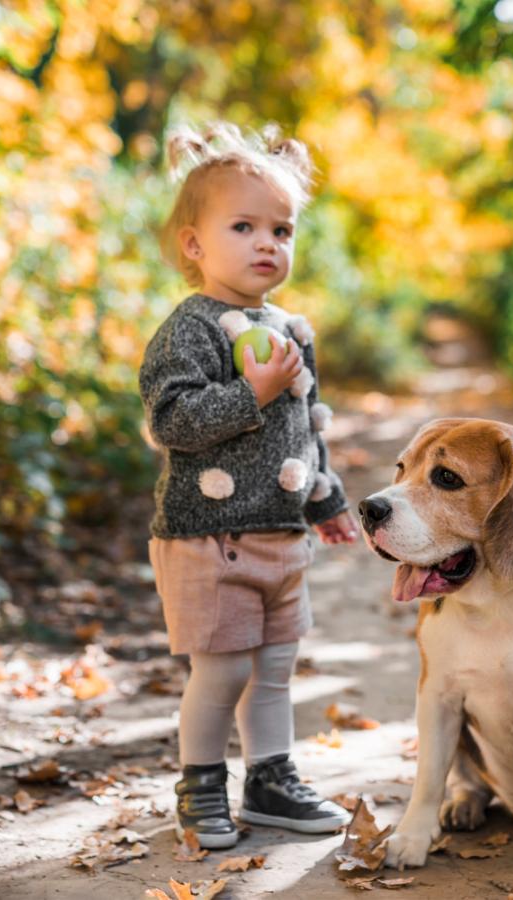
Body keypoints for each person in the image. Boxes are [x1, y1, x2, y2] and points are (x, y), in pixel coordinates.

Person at [139, 122, 358, 849]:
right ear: (195, 245)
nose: (268, 243)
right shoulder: (190, 330)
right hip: (210, 536)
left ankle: (271, 780)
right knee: (223, 668)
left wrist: (325, 498)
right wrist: (252, 395)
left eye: (282, 229)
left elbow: (307, 428)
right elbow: (174, 421)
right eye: (244, 226)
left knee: (273, 670)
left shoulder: (293, 327)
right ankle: (200, 785)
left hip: (280, 533)